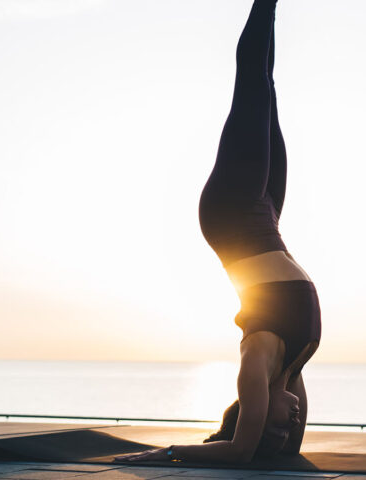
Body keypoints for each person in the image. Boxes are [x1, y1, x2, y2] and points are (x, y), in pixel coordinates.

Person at [115, 0, 320, 463]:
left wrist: (160, 455)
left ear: (256, 408)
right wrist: (280, 443)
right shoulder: (291, 368)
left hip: (231, 216)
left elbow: (242, 452)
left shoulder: (257, 366)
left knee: (252, 84)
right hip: (266, 221)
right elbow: (292, 450)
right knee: (267, 92)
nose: (293, 423)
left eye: (278, 424)